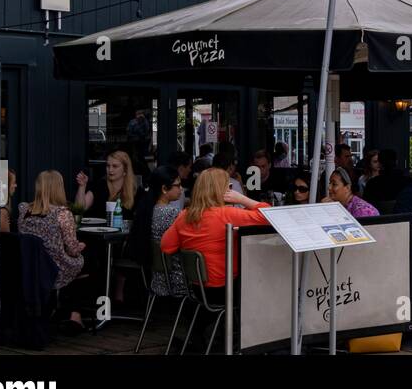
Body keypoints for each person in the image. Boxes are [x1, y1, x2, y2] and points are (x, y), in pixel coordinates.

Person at [161, 169, 272, 347]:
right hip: (225, 289)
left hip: (197, 288)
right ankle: (254, 341)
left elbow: (166, 247)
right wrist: (242, 199)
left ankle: (204, 336)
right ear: (221, 190)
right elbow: (269, 216)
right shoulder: (226, 214)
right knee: (264, 282)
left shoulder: (185, 215)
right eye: (228, 187)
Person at [18, 170, 90, 330]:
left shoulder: (24, 210)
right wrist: (82, 246)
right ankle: (74, 314)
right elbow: (72, 250)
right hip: (54, 268)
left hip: (29, 268)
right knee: (87, 261)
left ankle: (63, 310)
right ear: (59, 188)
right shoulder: (62, 214)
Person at [143, 167, 187, 298]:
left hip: (157, 280)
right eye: (178, 185)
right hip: (178, 280)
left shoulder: (149, 210)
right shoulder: (172, 213)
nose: (181, 189)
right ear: (164, 189)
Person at [75, 149, 137, 220]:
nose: (110, 170)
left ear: (125, 170)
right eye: (108, 166)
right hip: (98, 229)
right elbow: (80, 209)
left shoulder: (135, 192)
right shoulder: (100, 185)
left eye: (115, 166)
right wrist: (82, 186)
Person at [126, 109, 152, 174]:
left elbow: (147, 131)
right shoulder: (132, 122)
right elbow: (128, 132)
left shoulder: (145, 122)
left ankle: (143, 171)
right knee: (135, 156)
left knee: (140, 157)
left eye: (141, 114)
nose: (139, 116)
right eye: (138, 114)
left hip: (142, 142)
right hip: (134, 142)